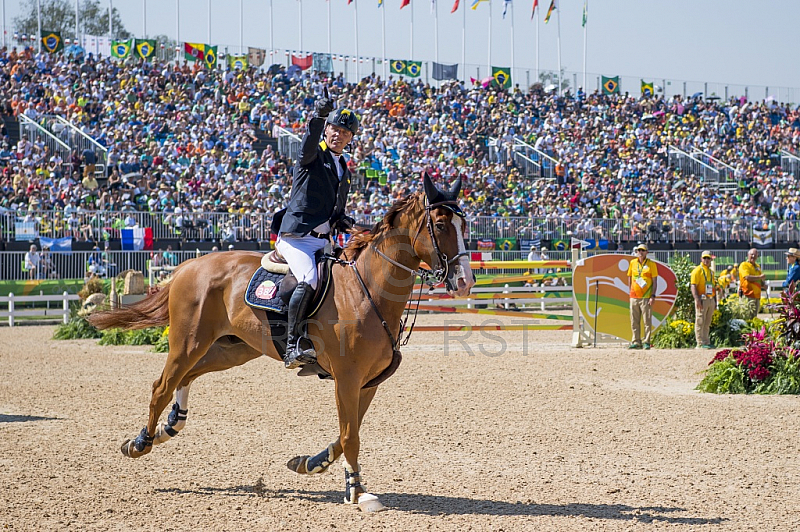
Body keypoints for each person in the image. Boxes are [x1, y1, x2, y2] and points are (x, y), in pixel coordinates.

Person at [275, 90, 358, 369]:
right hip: (297, 238)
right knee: (309, 280)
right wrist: (320, 115)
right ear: (327, 130)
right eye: (334, 128)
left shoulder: (343, 166)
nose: (338, 134)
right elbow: (309, 142)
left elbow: (335, 208)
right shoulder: (312, 155)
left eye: (345, 132)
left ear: (350, 139)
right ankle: (292, 345)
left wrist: (344, 220)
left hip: (323, 240)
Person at [627, 243, 659, 350]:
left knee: (647, 320)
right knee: (634, 320)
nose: (640, 252)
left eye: (642, 250)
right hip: (634, 296)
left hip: (646, 296)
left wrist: (653, 296)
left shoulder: (651, 264)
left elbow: (655, 281)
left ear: (647, 252)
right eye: (639, 250)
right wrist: (630, 291)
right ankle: (636, 341)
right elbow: (629, 277)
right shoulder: (632, 263)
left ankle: (646, 341)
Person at [691, 251, 717, 349]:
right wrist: (696, 299)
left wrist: (715, 301)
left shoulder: (711, 272)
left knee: (707, 322)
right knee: (700, 320)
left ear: (711, 259)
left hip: (710, 298)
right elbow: (693, 285)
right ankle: (700, 342)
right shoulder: (697, 270)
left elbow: (713, 286)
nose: (706, 260)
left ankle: (706, 341)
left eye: (708, 258)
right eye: (704, 258)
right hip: (702, 299)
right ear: (701, 259)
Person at [738, 248, 765, 319]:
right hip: (747, 295)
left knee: (754, 317)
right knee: (746, 317)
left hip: (756, 296)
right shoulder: (744, 265)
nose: (753, 256)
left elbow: (760, 279)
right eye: (751, 254)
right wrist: (759, 277)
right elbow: (747, 277)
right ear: (748, 255)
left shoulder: (757, 266)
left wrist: (763, 284)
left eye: (755, 255)